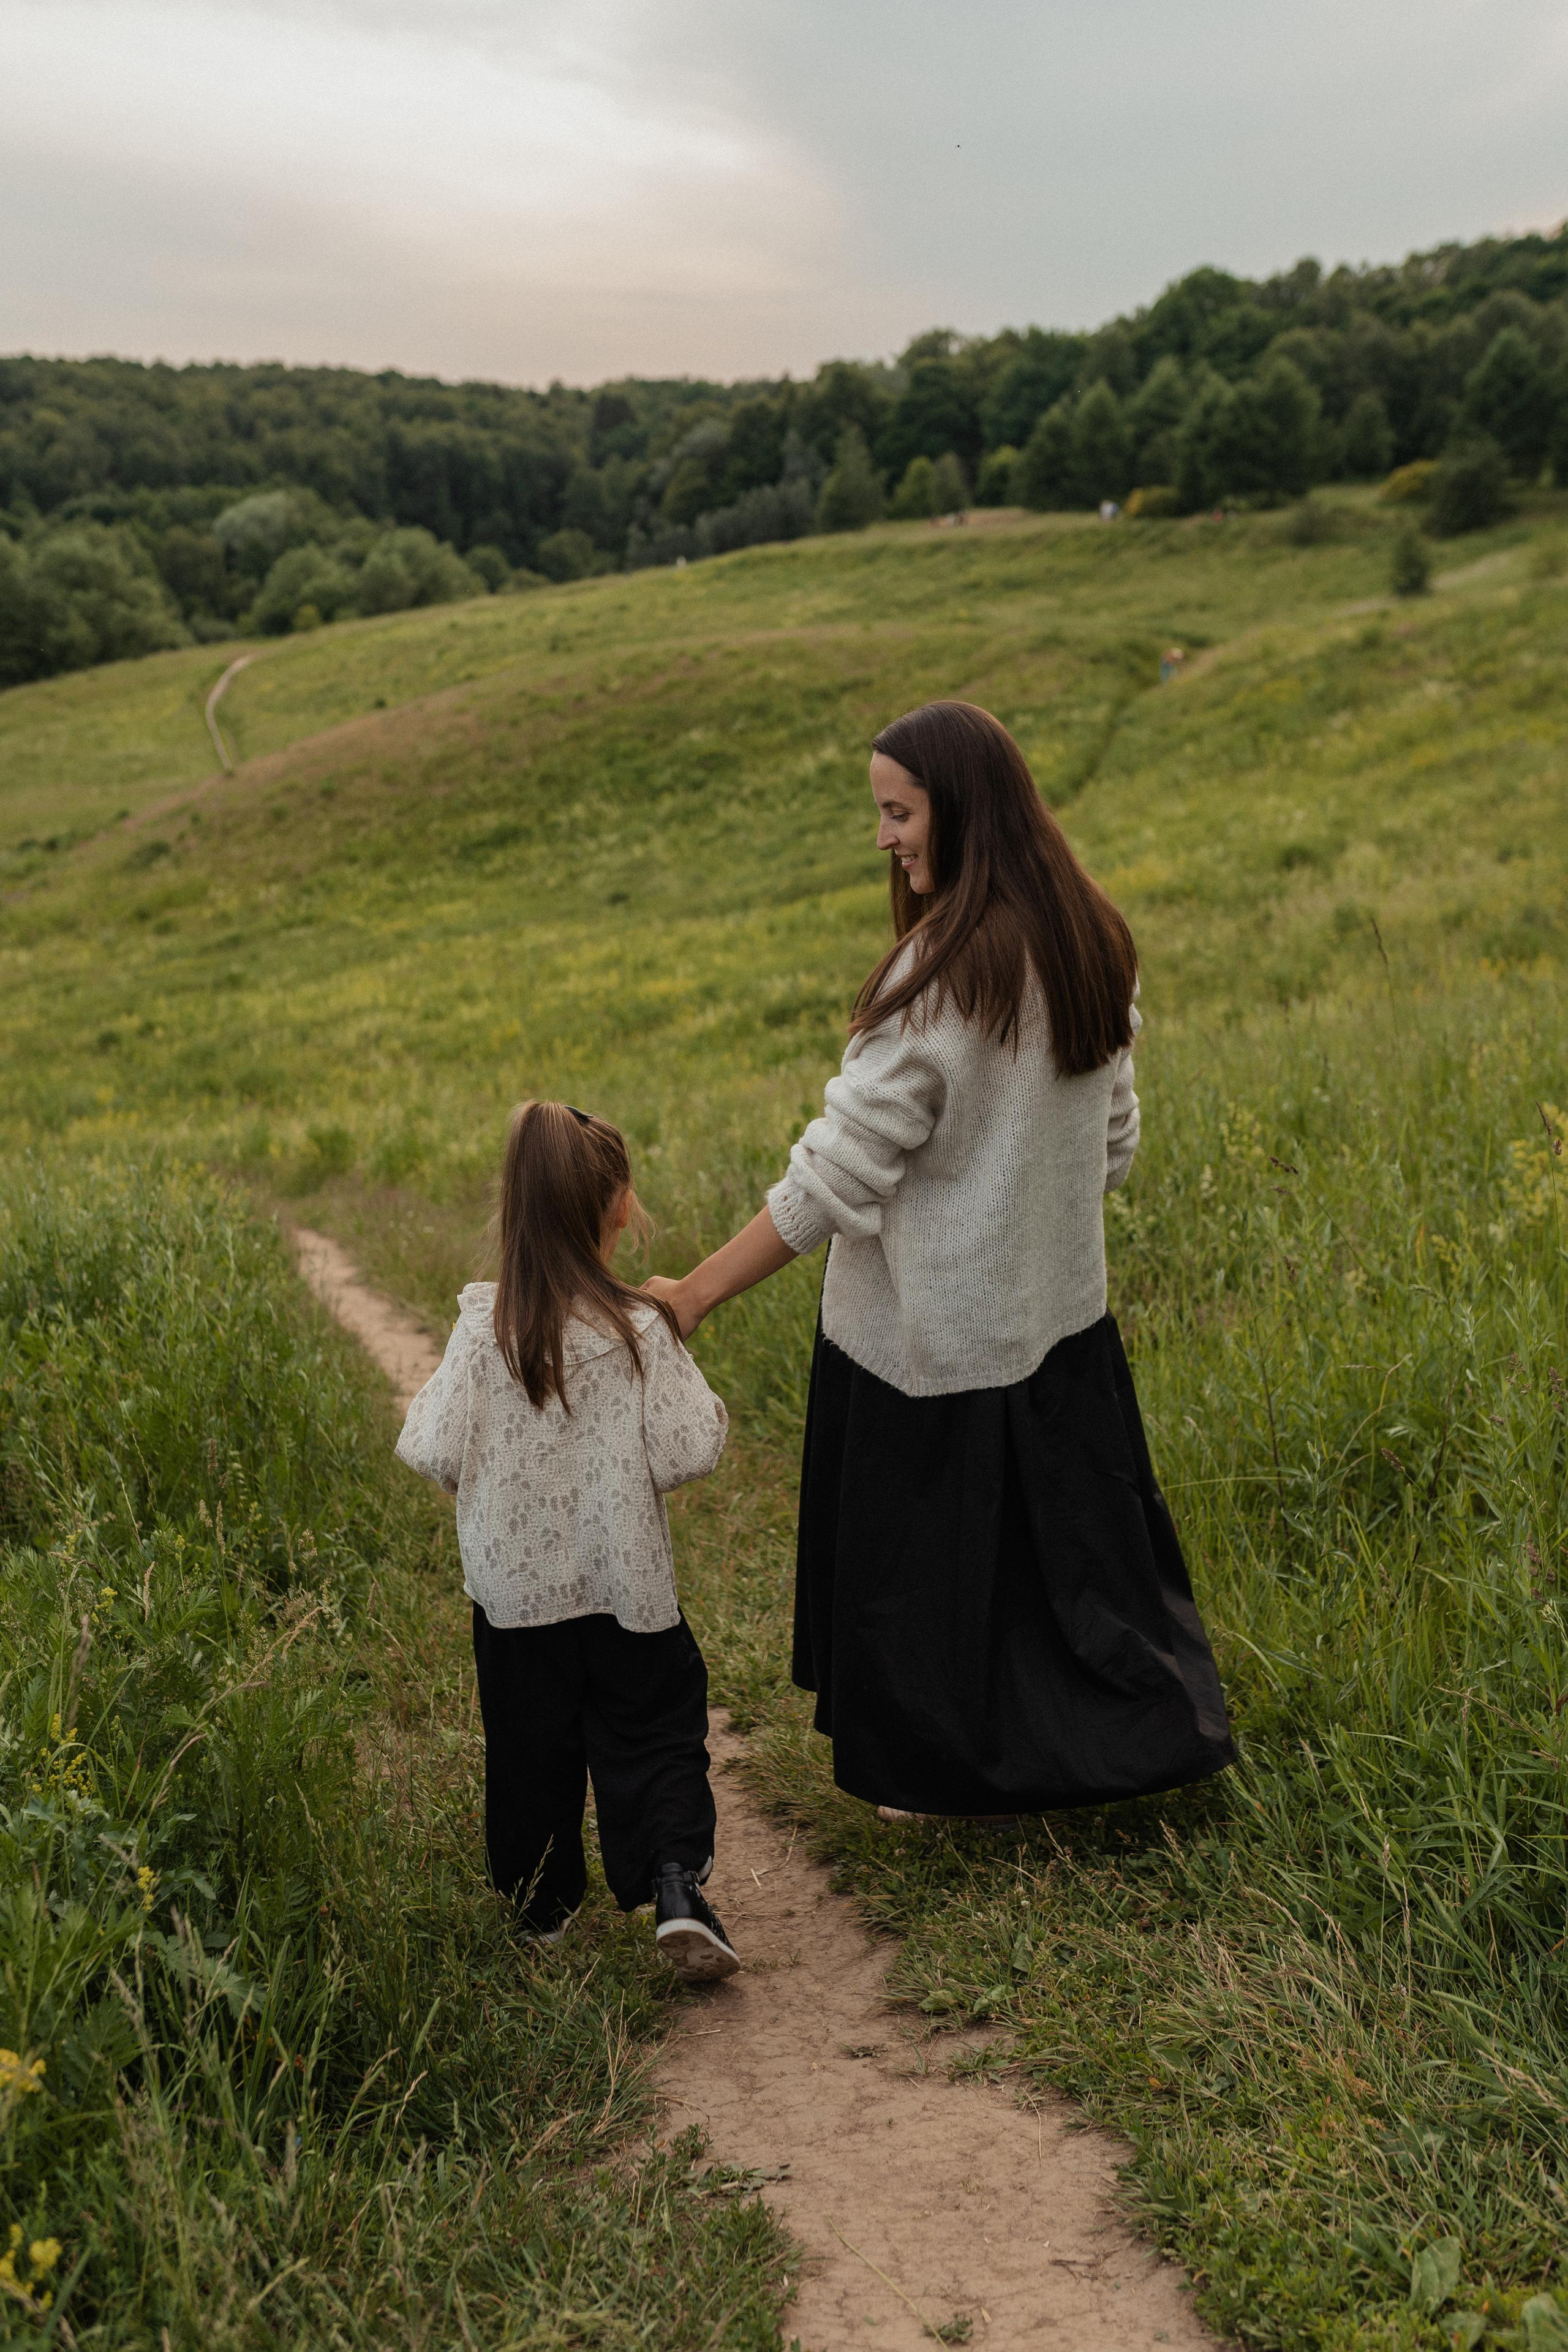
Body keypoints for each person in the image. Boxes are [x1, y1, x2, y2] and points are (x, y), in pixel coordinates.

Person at [647, 701, 1235, 1821]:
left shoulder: (936, 981)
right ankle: (1121, 1754)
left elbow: (833, 1176)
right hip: (1062, 1322)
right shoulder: (1093, 938)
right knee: (1074, 1579)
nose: (884, 839)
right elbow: (1115, 1148)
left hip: (929, 1342)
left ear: (961, 808)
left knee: (929, 1585)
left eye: (899, 813)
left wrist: (696, 1292)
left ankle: (935, 1780)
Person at [396, 1099, 741, 1980]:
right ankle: (674, 1885)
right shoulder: (639, 1329)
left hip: (516, 1605)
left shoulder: (482, 1333)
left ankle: (540, 1918)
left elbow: (431, 1447)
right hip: (629, 1593)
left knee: (527, 1753)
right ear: (620, 1207)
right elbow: (690, 1449)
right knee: (656, 1731)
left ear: (515, 1210)